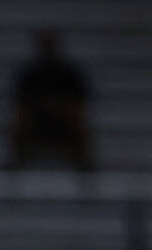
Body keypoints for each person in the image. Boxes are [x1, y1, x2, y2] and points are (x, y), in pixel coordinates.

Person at [8, 28, 95, 172]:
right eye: (45, 44)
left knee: (81, 126)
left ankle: (86, 172)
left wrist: (58, 107)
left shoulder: (69, 74)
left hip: (64, 120)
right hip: (37, 120)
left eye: (50, 44)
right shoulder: (30, 74)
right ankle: (14, 172)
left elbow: (79, 103)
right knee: (19, 125)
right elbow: (21, 104)